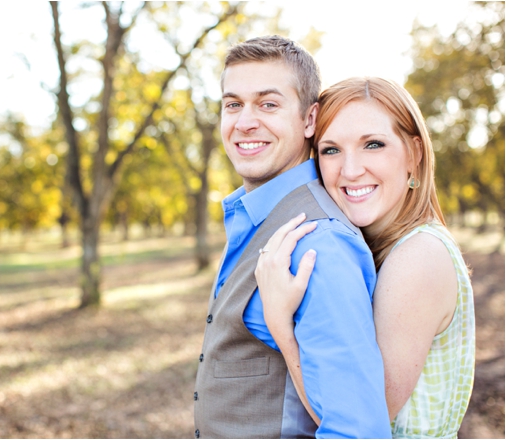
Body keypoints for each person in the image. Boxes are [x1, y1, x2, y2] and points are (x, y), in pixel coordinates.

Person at [192, 36, 392, 439]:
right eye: (233, 104)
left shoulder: (318, 244)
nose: (245, 121)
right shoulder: (252, 218)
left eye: (268, 104)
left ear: (308, 119)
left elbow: (357, 430)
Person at [255, 77, 475, 438]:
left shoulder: (418, 257)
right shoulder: (380, 251)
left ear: (414, 154)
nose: (351, 169)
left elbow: (358, 419)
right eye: (331, 150)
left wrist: (280, 324)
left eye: (373, 144)